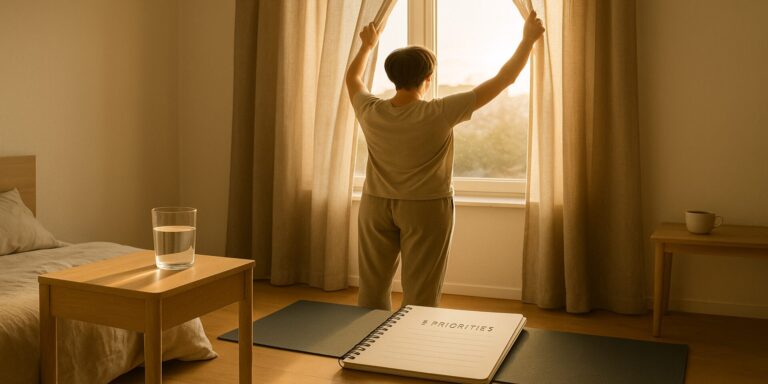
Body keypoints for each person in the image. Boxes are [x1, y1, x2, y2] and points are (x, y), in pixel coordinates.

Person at [346, 10, 545, 310]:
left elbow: (353, 79)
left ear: (393, 77)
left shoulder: (370, 110)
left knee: (371, 290)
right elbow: (505, 79)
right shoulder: (438, 112)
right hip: (425, 207)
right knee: (421, 292)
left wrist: (367, 45)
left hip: (375, 205)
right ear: (427, 80)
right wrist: (528, 40)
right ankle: (408, 354)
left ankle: (364, 349)